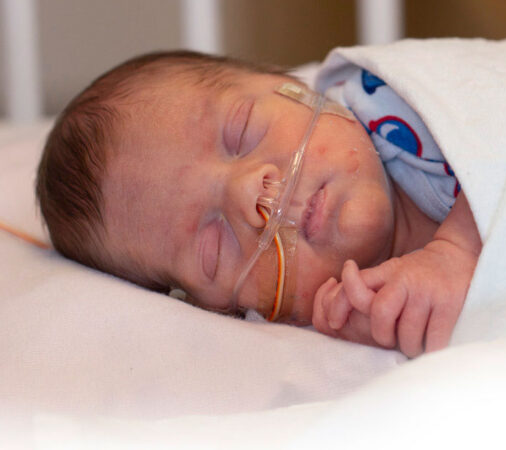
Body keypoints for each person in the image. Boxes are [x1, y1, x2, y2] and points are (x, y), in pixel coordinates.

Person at [36, 51, 481, 358]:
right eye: (213, 246)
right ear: (221, 309)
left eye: (240, 131)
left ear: (291, 85)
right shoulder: (343, 316)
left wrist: (459, 250)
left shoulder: (399, 101)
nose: (250, 192)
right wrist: (385, 324)